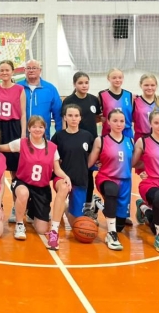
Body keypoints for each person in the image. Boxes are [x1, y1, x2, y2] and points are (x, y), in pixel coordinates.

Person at [0, 116, 71, 250]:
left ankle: (31, 213)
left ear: (45, 129)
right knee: (23, 193)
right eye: (34, 127)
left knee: (42, 229)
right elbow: (2, 147)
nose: (37, 129)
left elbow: (57, 169)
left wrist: (66, 176)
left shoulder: (52, 147)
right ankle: (19, 224)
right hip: (23, 182)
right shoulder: (22, 143)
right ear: (29, 128)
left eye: (40, 127)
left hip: (41, 188)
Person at [88, 109, 134, 251]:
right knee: (111, 191)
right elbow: (89, 163)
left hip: (125, 182)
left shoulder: (130, 141)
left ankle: (98, 203)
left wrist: (145, 171)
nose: (119, 124)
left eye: (121, 121)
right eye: (115, 121)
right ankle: (111, 234)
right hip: (106, 178)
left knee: (120, 225)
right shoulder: (101, 140)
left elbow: (136, 162)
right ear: (108, 122)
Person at [131, 111, 159, 254]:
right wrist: (145, 168)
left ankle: (144, 208)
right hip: (150, 183)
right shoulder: (142, 141)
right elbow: (133, 163)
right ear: (150, 123)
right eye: (156, 123)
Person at [61, 72, 101, 219]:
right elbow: (63, 120)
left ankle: (88, 205)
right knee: (70, 173)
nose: (84, 85)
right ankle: (67, 203)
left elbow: (97, 118)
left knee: (88, 174)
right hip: (73, 143)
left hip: (89, 143)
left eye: (86, 82)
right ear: (74, 84)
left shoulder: (93, 100)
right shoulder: (69, 101)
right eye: (80, 83)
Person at [0, 60, 26, 222]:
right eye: (2, 70)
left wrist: (23, 134)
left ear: (12, 72)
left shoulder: (19, 89)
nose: (4, 72)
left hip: (13, 128)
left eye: (7, 70)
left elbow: (23, 113)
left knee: (15, 171)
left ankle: (15, 207)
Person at [51, 104, 95, 227]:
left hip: (80, 179)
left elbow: (93, 155)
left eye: (76, 116)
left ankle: (66, 208)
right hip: (62, 177)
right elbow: (51, 156)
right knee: (63, 189)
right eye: (70, 115)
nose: (73, 118)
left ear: (80, 118)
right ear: (65, 117)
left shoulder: (87, 136)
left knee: (76, 224)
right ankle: (55, 225)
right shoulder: (59, 136)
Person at [18, 60, 62, 139]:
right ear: (24, 70)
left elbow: (58, 115)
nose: (31, 70)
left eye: (34, 68)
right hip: (20, 135)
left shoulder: (50, 89)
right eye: (28, 68)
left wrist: (59, 136)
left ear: (40, 70)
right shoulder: (17, 87)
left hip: (43, 136)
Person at [99, 68, 134, 139]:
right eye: (114, 78)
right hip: (108, 132)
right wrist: (100, 118)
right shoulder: (102, 95)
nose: (117, 80)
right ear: (108, 78)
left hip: (126, 132)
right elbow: (97, 115)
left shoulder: (129, 95)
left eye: (120, 77)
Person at [133, 73, 159, 141]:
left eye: (152, 85)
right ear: (141, 85)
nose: (149, 88)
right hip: (141, 139)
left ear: (156, 86)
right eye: (146, 85)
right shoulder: (135, 101)